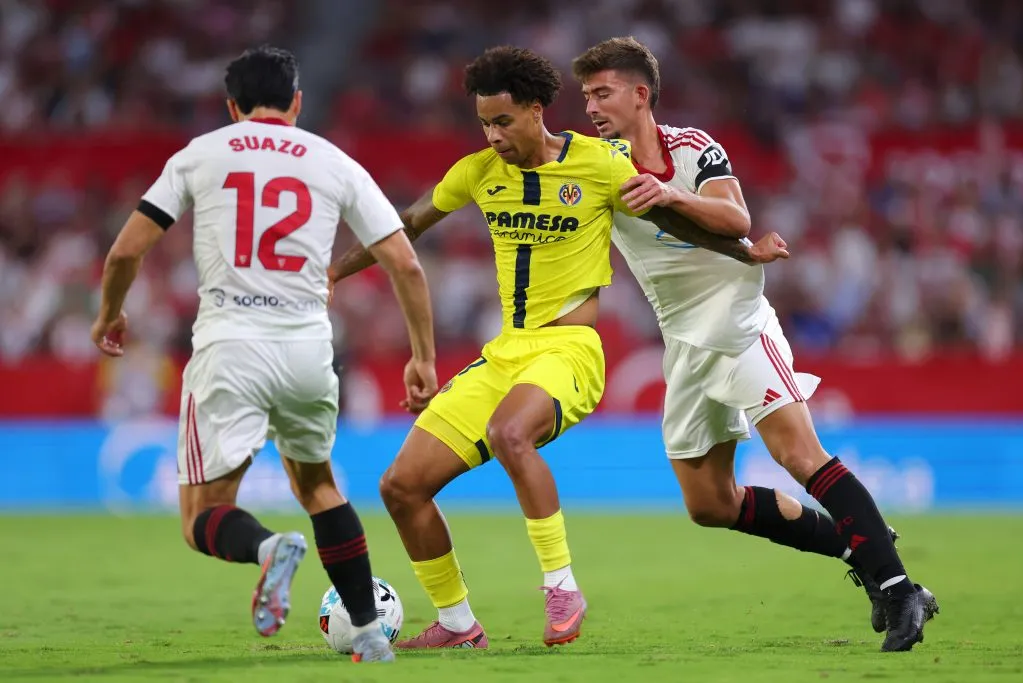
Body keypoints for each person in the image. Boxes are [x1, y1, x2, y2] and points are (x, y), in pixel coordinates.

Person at [326, 45, 788, 650]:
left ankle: (562, 586)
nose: (493, 135)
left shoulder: (597, 162)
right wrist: (331, 273)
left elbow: (670, 220)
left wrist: (742, 250)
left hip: (570, 350)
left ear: (537, 109)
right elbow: (403, 227)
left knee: (509, 435)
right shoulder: (476, 173)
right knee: (400, 487)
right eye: (484, 123)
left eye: (504, 121)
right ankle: (458, 625)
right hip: (505, 354)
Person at [570, 37, 939, 652]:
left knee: (799, 452)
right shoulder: (597, 161)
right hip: (683, 338)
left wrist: (671, 195)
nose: (590, 106)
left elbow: (735, 217)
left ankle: (900, 590)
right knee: (709, 503)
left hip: (739, 320)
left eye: (602, 92)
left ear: (641, 94)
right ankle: (863, 542)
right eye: (585, 95)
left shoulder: (692, 148)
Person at [90, 45, 438, 664]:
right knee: (320, 487)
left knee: (203, 513)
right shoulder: (335, 162)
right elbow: (406, 263)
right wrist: (422, 358)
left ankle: (267, 550)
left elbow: (124, 253)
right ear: (297, 103)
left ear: (231, 107)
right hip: (308, 349)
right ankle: (367, 633)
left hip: (231, 346)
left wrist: (111, 312)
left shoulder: (201, 153)